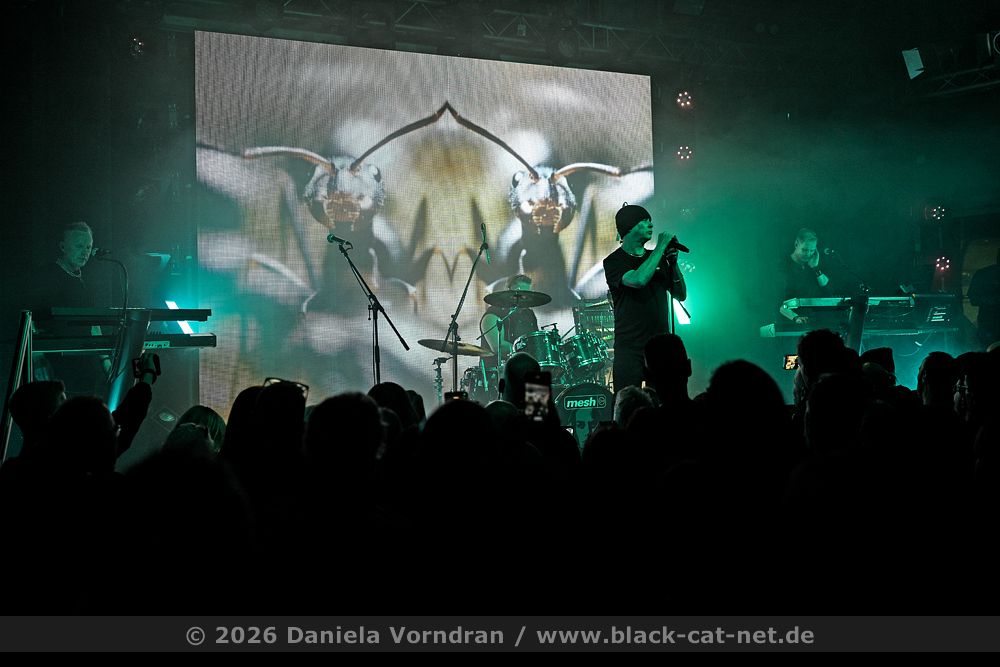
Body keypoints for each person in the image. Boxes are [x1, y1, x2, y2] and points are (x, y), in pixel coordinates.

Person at [603, 204, 686, 393]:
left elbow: (681, 294)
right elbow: (638, 280)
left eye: (650, 221)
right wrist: (661, 247)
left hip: (660, 345)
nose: (651, 225)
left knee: (663, 399)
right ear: (629, 227)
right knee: (626, 398)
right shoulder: (614, 261)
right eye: (645, 221)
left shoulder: (656, 258)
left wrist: (673, 264)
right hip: (630, 347)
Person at [778, 227, 831, 326]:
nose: (808, 254)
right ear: (796, 244)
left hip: (812, 323)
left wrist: (815, 268)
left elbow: (828, 290)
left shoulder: (812, 265)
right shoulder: (783, 266)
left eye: (812, 251)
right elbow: (778, 302)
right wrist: (796, 318)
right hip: (789, 323)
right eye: (805, 250)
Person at [967, 249, 1000, 349]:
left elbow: (973, 298)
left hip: (988, 326)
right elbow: (973, 298)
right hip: (989, 326)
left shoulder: (983, 274)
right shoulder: (984, 274)